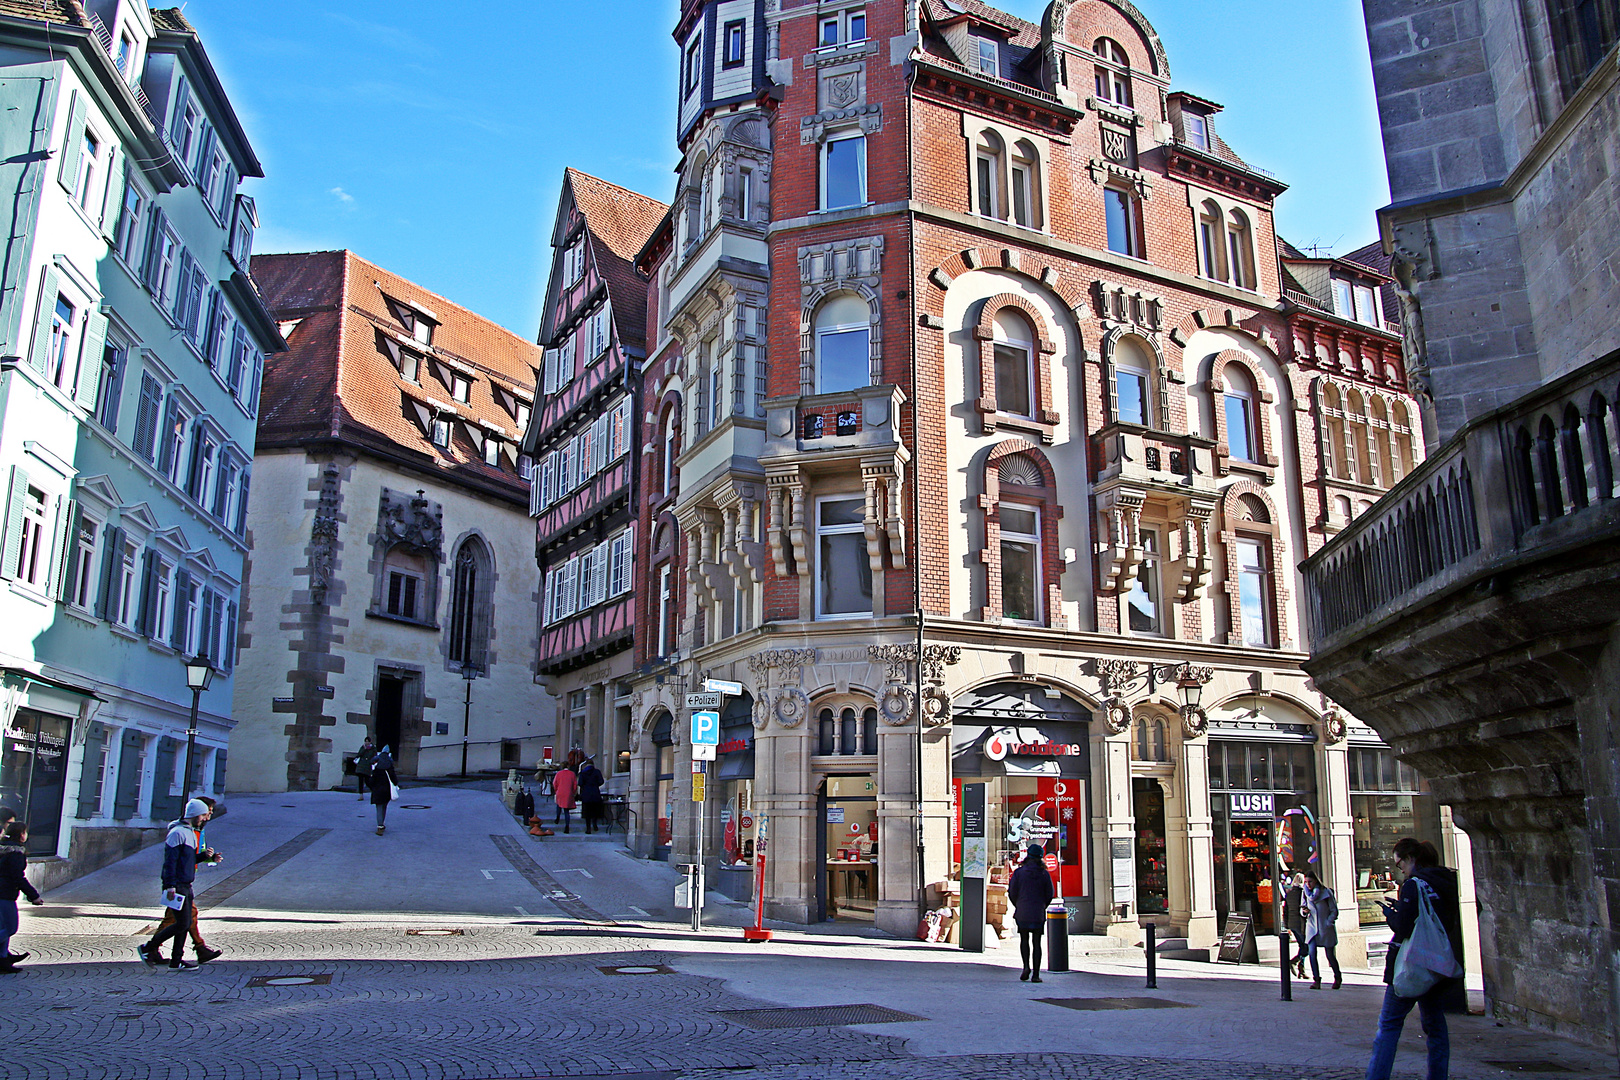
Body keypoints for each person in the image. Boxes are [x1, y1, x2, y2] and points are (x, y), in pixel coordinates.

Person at [1366, 837, 1465, 1080]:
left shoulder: (1413, 885)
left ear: (1410, 859)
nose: (1399, 869)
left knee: (1389, 1025)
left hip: (1411, 964)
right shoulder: (1445, 882)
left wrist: (1391, 914)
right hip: (1434, 964)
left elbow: (1404, 927)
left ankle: (1376, 1077)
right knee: (1435, 1027)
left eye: (1399, 863)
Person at [143, 798, 224, 966]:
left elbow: (188, 859)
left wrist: (206, 857)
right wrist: (169, 886)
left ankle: (176, 960)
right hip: (178, 884)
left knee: (183, 922)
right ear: (194, 814)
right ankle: (150, 947)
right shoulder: (178, 833)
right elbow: (170, 862)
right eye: (204, 814)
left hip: (186, 883)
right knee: (182, 922)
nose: (205, 818)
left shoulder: (191, 832)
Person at [1007, 843, 1055, 984]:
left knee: (1024, 940)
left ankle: (1026, 967)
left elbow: (1012, 892)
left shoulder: (1019, 873)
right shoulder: (1044, 874)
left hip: (1022, 911)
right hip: (1037, 912)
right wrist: (1042, 906)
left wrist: (1019, 904)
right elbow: (1049, 894)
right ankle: (1036, 974)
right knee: (1037, 943)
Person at [0, 820, 43, 971]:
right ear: (21, 835)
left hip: (3, 892)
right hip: (5, 894)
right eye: (25, 832)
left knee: (3, 927)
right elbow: (18, 877)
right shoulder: (16, 853)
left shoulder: (3, 850)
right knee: (10, 928)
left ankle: (3, 959)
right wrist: (34, 896)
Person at [1303, 870, 1342, 989]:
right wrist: (1304, 912)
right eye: (1306, 882)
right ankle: (1316, 980)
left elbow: (1334, 910)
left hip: (1325, 928)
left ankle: (1337, 977)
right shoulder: (1305, 893)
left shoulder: (1326, 892)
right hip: (1312, 927)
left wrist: (1328, 922)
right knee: (1312, 953)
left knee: (1330, 955)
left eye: (1310, 882)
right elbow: (1302, 907)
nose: (1308, 884)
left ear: (1316, 881)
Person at [1284, 871, 1309, 980]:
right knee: (1306, 947)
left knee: (1302, 945)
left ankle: (1301, 970)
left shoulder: (1289, 894)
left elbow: (1286, 911)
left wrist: (1286, 925)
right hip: (1301, 924)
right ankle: (1294, 961)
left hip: (1292, 924)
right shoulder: (1303, 893)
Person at [369, 747, 397, 835]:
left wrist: (372, 787)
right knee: (384, 807)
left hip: (377, 789)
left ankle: (380, 826)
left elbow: (371, 781)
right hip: (387, 789)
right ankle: (382, 824)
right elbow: (394, 779)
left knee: (379, 808)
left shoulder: (376, 767)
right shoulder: (389, 765)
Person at [577, 757, 605, 834]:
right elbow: (601, 781)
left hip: (586, 794)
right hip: (595, 793)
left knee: (587, 812)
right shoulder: (597, 772)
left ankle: (588, 828)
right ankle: (595, 824)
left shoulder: (583, 773)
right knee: (595, 810)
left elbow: (580, 783)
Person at [552, 758, 579, 834]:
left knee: (559, 804)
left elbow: (555, 783)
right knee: (566, 810)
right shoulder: (572, 774)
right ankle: (567, 826)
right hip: (568, 792)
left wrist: (556, 790)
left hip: (560, 791)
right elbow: (574, 785)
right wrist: (573, 793)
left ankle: (557, 818)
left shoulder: (559, 774)